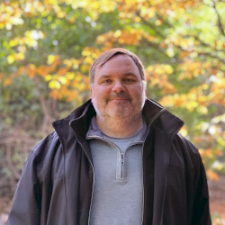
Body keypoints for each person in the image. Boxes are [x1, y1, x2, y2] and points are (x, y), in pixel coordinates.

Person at [7, 48, 211, 225]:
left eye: (128, 79)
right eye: (107, 80)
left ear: (143, 87)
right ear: (93, 90)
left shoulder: (182, 154)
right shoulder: (51, 152)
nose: (118, 87)